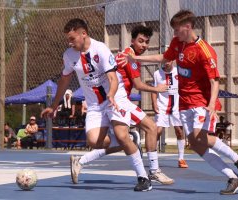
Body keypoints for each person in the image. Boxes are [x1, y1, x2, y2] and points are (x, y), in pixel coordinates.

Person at [117, 10, 238, 195]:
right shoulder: (178, 43)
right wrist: (135, 58)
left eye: (177, 30)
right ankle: (233, 177)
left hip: (201, 101)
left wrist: (212, 105)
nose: (174, 34)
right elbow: (163, 58)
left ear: (187, 27)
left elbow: (215, 81)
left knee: (199, 136)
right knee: (195, 144)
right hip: (184, 102)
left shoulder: (205, 51)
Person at [41, 18, 151, 191]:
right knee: (94, 141)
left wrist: (112, 95)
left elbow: (113, 78)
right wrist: (54, 106)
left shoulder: (100, 49)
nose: (69, 43)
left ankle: (143, 178)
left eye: (72, 39)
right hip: (94, 105)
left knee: (122, 135)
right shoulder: (69, 55)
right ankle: (130, 140)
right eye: (67, 40)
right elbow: (64, 80)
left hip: (115, 98)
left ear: (83, 34)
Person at [69, 25, 174, 186]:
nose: (144, 45)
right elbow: (138, 85)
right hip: (118, 100)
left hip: (114, 99)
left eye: (146, 42)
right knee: (148, 129)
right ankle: (153, 172)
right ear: (132, 40)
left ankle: (81, 161)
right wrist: (157, 89)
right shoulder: (129, 57)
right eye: (140, 41)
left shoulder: (127, 55)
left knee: (123, 141)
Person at [151, 61, 188, 168]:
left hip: (176, 106)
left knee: (179, 131)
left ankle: (181, 158)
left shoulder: (179, 71)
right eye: (164, 61)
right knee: (157, 131)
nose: (166, 63)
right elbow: (153, 90)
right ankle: (154, 158)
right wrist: (154, 103)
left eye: (168, 61)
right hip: (162, 106)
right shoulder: (157, 74)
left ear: (172, 61)